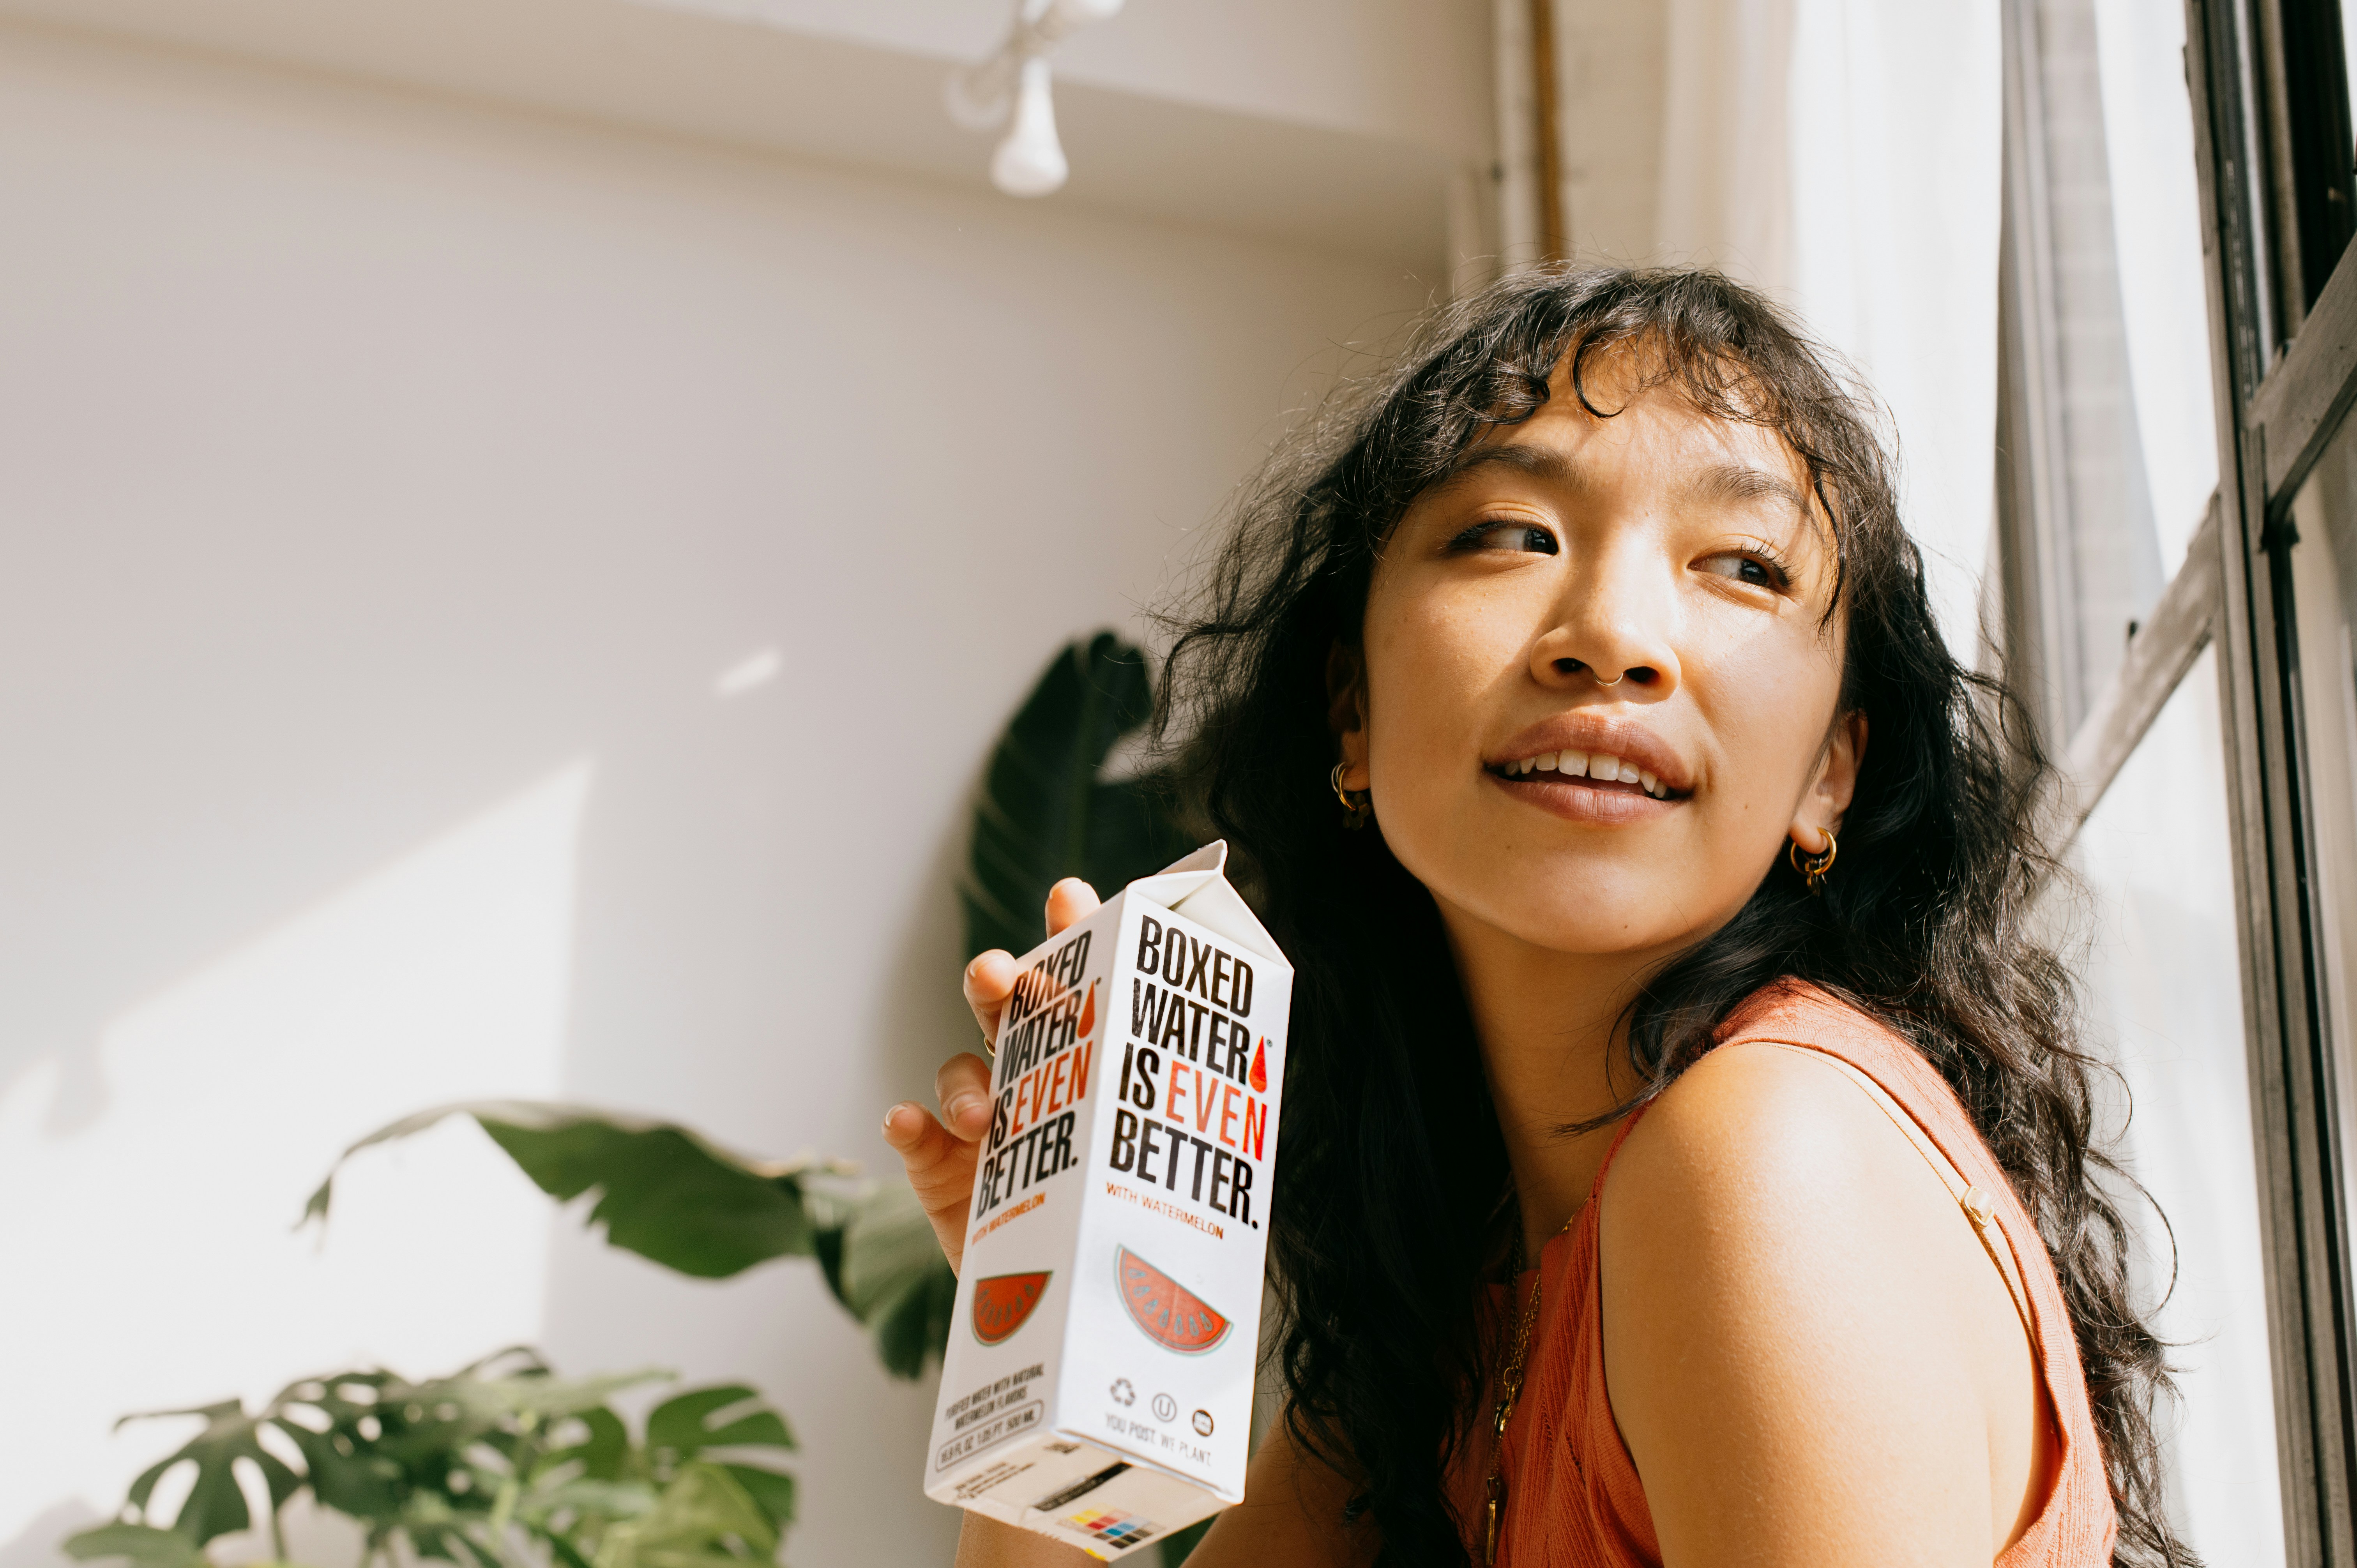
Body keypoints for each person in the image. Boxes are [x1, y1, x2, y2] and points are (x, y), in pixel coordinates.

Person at [882, 267, 2181, 1567]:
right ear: (1353, 710)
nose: (1613, 637)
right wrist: (1043, 1309)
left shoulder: (1763, 1155)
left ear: (1830, 773)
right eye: (1512, 534)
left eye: (1743, 565)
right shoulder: (1451, 1319)